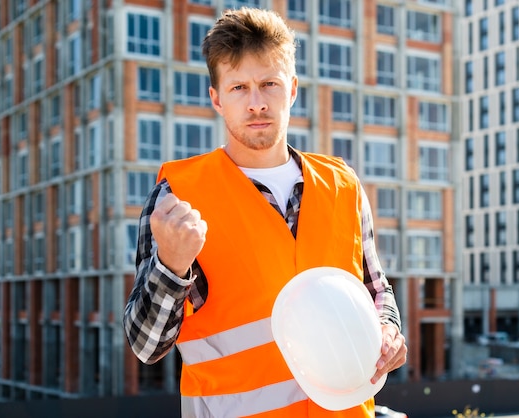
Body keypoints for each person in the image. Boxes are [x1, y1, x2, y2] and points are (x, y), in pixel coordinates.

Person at [123, 7, 407, 418]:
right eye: (239, 88)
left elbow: (376, 290)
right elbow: (146, 347)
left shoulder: (343, 184)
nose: (256, 103)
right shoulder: (177, 197)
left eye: (268, 84)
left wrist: (389, 331)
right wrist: (170, 264)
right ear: (217, 99)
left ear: (291, 89)